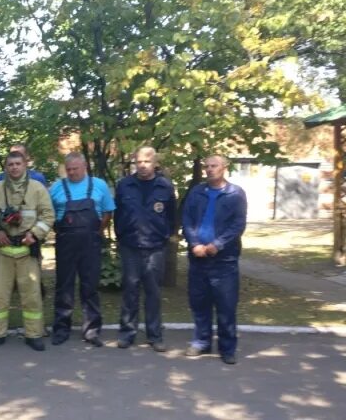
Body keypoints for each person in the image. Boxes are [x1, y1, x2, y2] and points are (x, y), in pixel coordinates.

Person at [0, 151, 55, 351]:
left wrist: (35, 234)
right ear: (6, 167)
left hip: (27, 249)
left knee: (32, 295)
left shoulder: (37, 189)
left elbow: (48, 215)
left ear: (25, 165)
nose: (14, 167)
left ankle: (34, 334)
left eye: (18, 164)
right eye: (10, 164)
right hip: (3, 250)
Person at [182, 154, 247, 365]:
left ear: (224, 168)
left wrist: (216, 245)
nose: (210, 169)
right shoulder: (197, 192)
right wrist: (194, 244)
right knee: (199, 303)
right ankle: (202, 341)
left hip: (224, 260)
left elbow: (237, 225)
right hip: (198, 258)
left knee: (226, 305)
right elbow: (187, 220)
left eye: (214, 166)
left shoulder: (235, 194)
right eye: (207, 166)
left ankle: (227, 348)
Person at [114, 146, 176, 352]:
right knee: (130, 290)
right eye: (139, 161)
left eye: (147, 161)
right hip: (130, 246)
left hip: (155, 247)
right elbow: (118, 215)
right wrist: (122, 236)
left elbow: (172, 217)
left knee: (153, 292)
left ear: (155, 163)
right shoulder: (124, 185)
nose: (142, 165)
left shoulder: (165, 187)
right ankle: (127, 334)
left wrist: (164, 235)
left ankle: (155, 336)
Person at [50, 152, 115, 347]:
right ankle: (61, 329)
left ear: (84, 166)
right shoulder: (56, 188)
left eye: (75, 169)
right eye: (68, 169)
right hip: (65, 244)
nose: (71, 173)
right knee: (64, 288)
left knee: (90, 287)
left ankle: (92, 330)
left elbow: (107, 213)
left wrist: (96, 232)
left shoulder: (99, 185)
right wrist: (60, 230)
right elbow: (47, 213)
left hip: (90, 244)